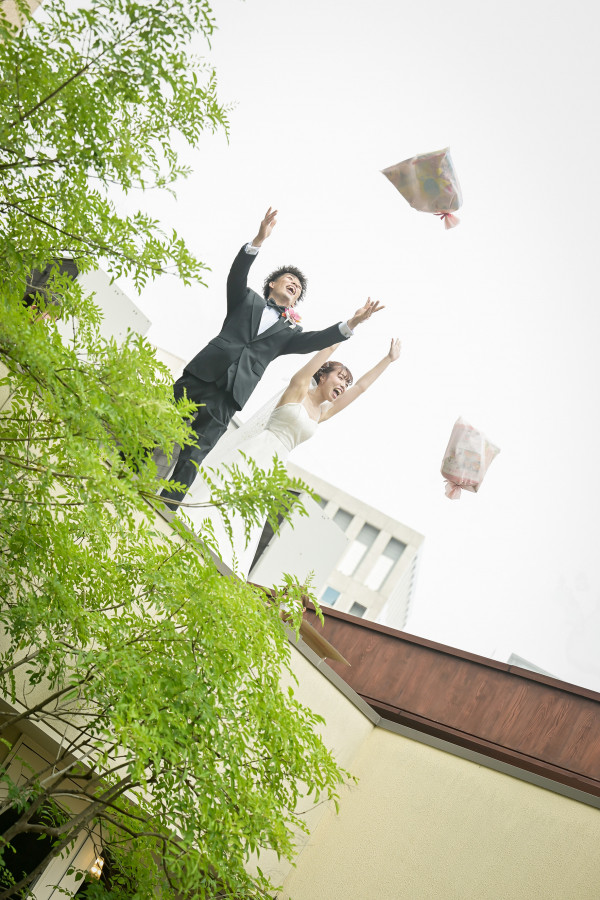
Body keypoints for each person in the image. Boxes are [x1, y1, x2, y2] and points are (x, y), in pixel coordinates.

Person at [160, 207, 383, 510]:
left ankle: (165, 508)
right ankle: (125, 475)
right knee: (159, 427)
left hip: (231, 395)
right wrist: (258, 239)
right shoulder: (246, 300)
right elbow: (236, 275)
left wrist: (352, 324)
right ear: (272, 285)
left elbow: (317, 340)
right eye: (289, 279)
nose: (294, 285)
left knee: (195, 454)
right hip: (201, 375)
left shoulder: (289, 332)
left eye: (299, 287)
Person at [182, 338, 402, 576]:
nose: (345, 384)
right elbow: (325, 349)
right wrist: (348, 329)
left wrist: (388, 360)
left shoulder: (322, 413)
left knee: (244, 517)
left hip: (273, 468)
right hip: (254, 452)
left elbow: (361, 387)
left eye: (346, 382)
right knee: (220, 494)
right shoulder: (298, 389)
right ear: (322, 376)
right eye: (340, 377)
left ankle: (216, 566)